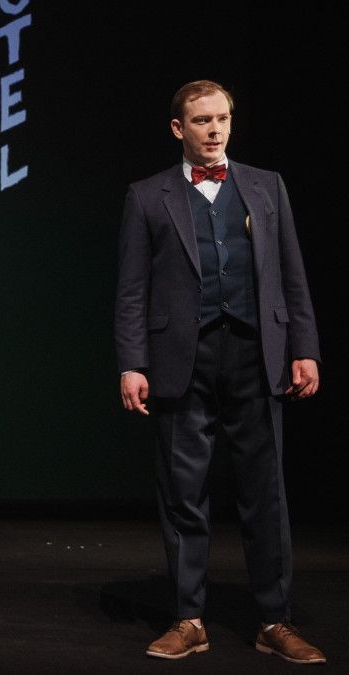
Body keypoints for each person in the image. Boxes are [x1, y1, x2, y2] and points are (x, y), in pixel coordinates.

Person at [115, 81, 325, 664]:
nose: (215, 130)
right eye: (202, 120)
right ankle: (189, 620)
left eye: (222, 119)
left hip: (257, 355)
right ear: (178, 128)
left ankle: (275, 620)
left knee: (266, 492)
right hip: (182, 358)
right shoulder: (147, 195)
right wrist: (132, 362)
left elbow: (292, 274)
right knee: (183, 492)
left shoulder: (266, 186)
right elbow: (131, 288)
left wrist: (304, 347)